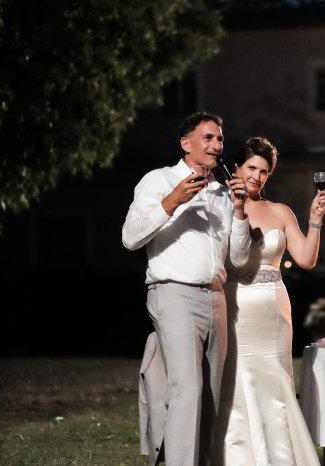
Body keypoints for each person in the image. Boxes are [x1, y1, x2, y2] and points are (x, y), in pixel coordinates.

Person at [122, 111, 251, 466]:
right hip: (174, 293)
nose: (217, 144)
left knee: (212, 395)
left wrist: (240, 211)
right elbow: (130, 238)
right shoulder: (160, 180)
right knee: (187, 389)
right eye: (208, 137)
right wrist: (173, 201)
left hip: (216, 296)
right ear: (186, 143)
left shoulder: (223, 193)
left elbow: (238, 259)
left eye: (220, 138)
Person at [222, 136, 325, 465]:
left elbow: (306, 259)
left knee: (275, 380)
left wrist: (315, 219)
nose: (256, 176)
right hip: (236, 307)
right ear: (237, 168)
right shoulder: (219, 206)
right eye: (251, 167)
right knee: (237, 379)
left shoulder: (280, 211)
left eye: (264, 171)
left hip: (274, 312)